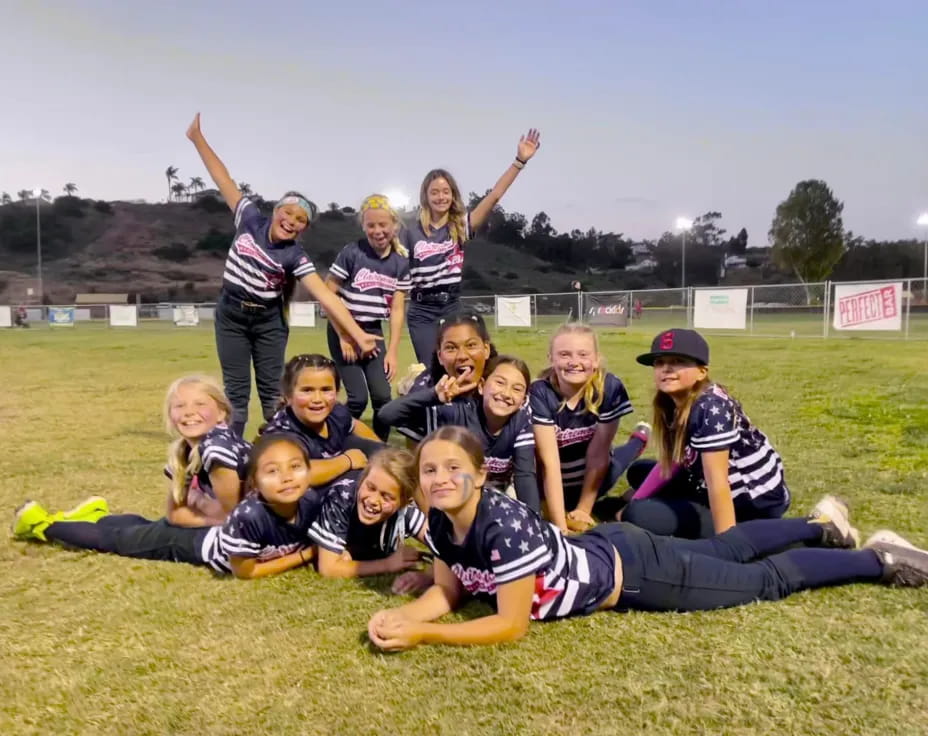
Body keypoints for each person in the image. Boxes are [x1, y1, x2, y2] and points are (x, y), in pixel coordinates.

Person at [366, 426, 928, 651]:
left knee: (763, 580)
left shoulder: (501, 525)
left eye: (452, 468)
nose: (440, 479)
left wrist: (424, 636)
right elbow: (451, 591)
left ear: (481, 474)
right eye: (430, 470)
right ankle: (822, 527)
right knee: (727, 550)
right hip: (611, 545)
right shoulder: (438, 521)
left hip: (635, 575)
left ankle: (877, 559)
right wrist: (412, 616)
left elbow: (511, 624)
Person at [186, 113, 382, 436]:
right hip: (231, 316)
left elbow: (326, 297)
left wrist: (357, 334)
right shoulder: (249, 219)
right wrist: (197, 138)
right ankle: (232, 453)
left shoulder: (295, 256)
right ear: (277, 211)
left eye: (301, 220)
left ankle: (283, 447)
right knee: (235, 391)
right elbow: (222, 178)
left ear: (304, 229)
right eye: (288, 212)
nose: (292, 220)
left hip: (269, 323)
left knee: (272, 395)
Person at [11, 375, 250, 570]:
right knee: (142, 526)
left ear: (221, 413)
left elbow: (233, 516)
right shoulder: (187, 450)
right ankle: (91, 516)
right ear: (170, 416)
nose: (189, 412)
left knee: (117, 539)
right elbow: (175, 515)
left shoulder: (218, 448)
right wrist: (206, 511)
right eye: (179, 406)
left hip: (213, 538)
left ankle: (40, 524)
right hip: (203, 529)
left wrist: (200, 505)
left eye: (200, 404)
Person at [622, 329, 790, 538]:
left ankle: (765, 534)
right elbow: (675, 460)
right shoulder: (675, 401)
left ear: (702, 371)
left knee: (638, 515)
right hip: (712, 482)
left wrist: (728, 545)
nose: (666, 369)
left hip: (753, 502)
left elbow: (718, 482)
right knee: (638, 471)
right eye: (659, 362)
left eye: (678, 361)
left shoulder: (709, 407)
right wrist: (638, 497)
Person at [402, 129, 541, 362]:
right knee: (432, 369)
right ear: (425, 196)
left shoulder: (460, 226)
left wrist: (519, 161)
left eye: (446, 191)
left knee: (460, 364)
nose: (440, 197)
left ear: (453, 195)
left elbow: (494, 196)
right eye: (434, 192)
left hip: (451, 306)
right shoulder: (411, 233)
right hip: (422, 311)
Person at [530, 323, 649, 534]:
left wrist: (584, 509)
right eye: (564, 354)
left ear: (596, 360)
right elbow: (549, 462)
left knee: (619, 460)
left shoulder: (610, 388)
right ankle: (637, 441)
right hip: (550, 482)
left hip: (593, 476)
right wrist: (560, 527)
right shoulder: (539, 392)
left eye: (583, 354)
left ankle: (638, 441)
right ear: (551, 358)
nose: (574, 362)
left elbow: (598, 454)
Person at [380, 355, 539, 511]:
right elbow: (386, 415)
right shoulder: (459, 413)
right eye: (500, 383)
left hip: (492, 502)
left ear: (523, 400)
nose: (506, 393)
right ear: (481, 386)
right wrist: (434, 395)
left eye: (517, 389)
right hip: (451, 500)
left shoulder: (521, 421)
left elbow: (525, 476)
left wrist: (535, 527)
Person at [325, 195, 411, 441]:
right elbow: (328, 294)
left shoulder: (401, 262)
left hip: (373, 331)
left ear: (394, 225)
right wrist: (343, 336)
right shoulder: (352, 253)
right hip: (344, 329)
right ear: (363, 226)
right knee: (357, 398)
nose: (378, 231)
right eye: (371, 225)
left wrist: (392, 351)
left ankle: (377, 447)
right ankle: (332, 439)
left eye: (383, 224)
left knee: (383, 397)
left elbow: (396, 309)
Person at [309, 448, 432, 593]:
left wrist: (431, 574)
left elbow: (444, 545)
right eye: (370, 487)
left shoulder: (405, 511)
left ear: (404, 502)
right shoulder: (342, 497)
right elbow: (328, 568)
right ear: (362, 480)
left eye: (386, 497)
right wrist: (387, 564)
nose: (373, 500)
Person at [261, 354, 384, 486]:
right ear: (288, 395)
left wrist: (383, 452)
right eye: (307, 390)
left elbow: (355, 426)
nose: (317, 399)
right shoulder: (281, 431)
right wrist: (346, 461)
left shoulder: (336, 413)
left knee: (385, 457)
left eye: (326, 390)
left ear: (337, 393)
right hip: (302, 500)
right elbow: (293, 474)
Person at [380, 308, 497, 447]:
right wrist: (434, 395)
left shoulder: (502, 383)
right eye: (451, 348)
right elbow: (386, 415)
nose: (462, 356)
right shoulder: (427, 387)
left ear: (486, 349)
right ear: (440, 356)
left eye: (471, 345)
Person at [217, 433, 325, 579]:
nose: (287, 477)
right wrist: (307, 555)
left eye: (295, 466)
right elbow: (244, 572)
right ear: (254, 482)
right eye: (272, 471)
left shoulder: (312, 500)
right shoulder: (249, 516)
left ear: (309, 471)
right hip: (205, 546)